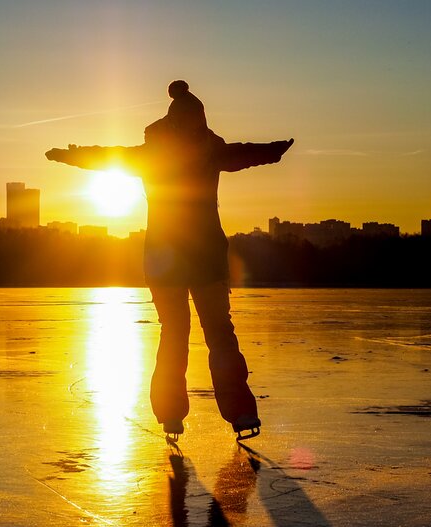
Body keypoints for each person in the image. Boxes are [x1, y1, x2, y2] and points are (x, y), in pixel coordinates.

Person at [46, 80, 293, 440]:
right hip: (188, 259)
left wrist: (273, 150)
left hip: (177, 259)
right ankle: (192, 415)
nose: (199, 124)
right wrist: (71, 154)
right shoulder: (202, 149)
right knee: (201, 335)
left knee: (198, 335)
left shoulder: (185, 150)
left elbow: (244, 153)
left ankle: (209, 414)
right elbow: (107, 156)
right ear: (189, 118)